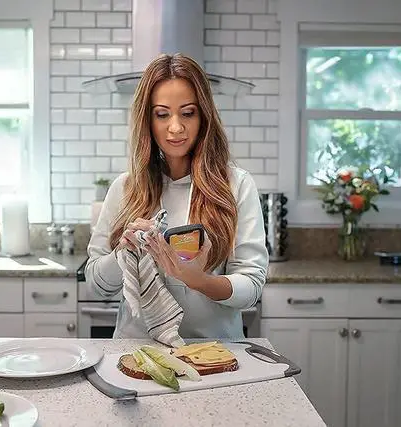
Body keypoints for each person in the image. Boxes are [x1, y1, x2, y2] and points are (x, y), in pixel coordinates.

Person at [85, 53, 268, 340]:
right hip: (138, 352)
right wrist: (123, 250)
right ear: (147, 120)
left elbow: (252, 286)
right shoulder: (124, 188)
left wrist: (199, 281)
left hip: (214, 351)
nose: (176, 127)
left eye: (188, 113)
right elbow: (96, 286)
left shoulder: (236, 185)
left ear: (204, 116)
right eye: (162, 114)